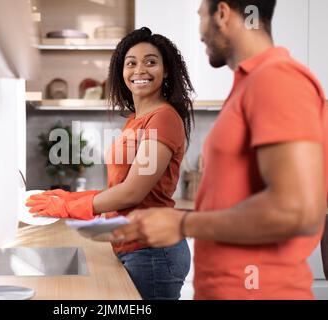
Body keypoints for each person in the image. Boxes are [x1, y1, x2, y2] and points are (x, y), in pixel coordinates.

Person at [113, 0, 328, 300]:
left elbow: (295, 210)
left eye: (201, 15)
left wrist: (183, 223)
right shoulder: (249, 85)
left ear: (223, 13)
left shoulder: (276, 79)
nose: (200, 32)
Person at [26, 27, 195, 300]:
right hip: (134, 246)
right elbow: (121, 186)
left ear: (166, 71)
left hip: (153, 251)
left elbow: (133, 192)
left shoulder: (163, 118)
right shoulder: (136, 120)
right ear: (121, 71)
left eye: (151, 62)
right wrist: (70, 199)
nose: (140, 69)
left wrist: (70, 205)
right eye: (131, 63)